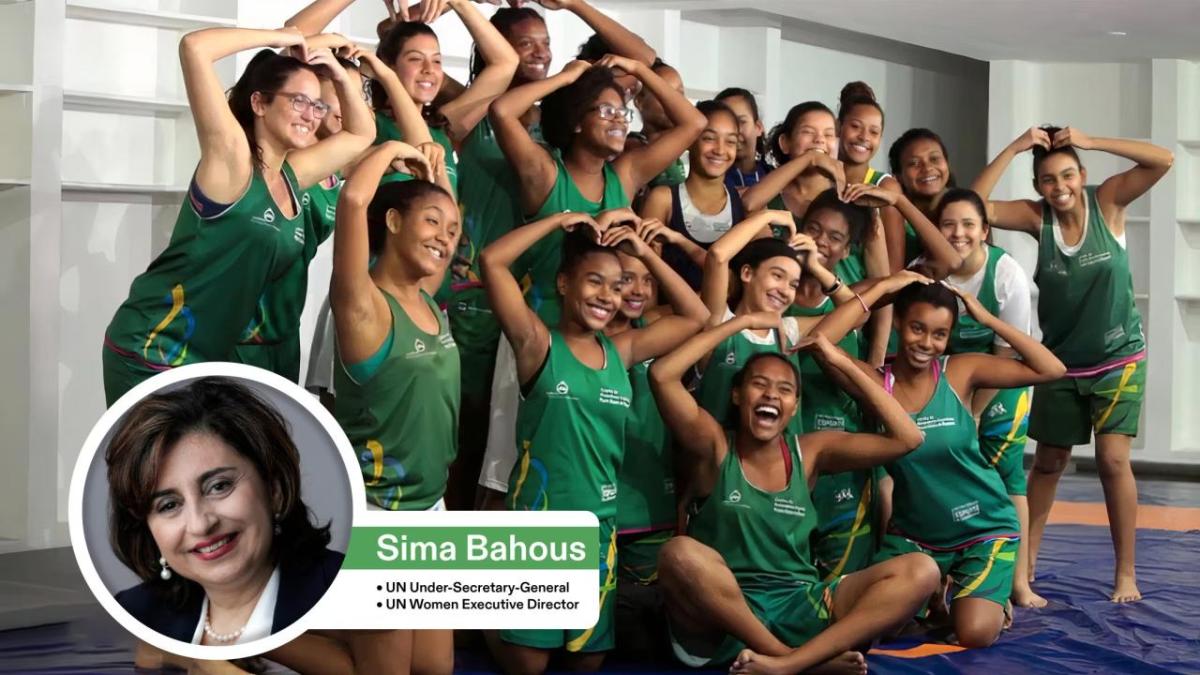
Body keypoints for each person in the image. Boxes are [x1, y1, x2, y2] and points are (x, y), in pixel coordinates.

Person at [449, 3, 656, 509]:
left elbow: (643, 58)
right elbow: (493, 103)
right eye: (527, 43)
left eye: (546, 41)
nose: (541, 52)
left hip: (549, 303)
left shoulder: (558, 128)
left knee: (518, 445)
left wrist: (575, 8)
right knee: (470, 441)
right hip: (476, 291)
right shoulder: (474, 107)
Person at [480, 211, 703, 674]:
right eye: (594, 282)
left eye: (617, 286)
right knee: (530, 667)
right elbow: (492, 261)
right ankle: (484, 601)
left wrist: (642, 252)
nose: (608, 295)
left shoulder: (621, 352)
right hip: (537, 529)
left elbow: (696, 315)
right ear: (564, 284)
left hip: (599, 529)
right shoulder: (536, 343)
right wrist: (557, 220)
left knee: (589, 663)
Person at [101, 27, 374, 405]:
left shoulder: (292, 176)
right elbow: (194, 47)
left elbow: (361, 134)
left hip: (207, 360)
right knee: (151, 466)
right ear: (259, 103)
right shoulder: (232, 160)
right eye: (298, 101)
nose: (310, 116)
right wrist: (280, 35)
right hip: (153, 349)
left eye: (317, 105)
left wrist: (340, 74)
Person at [649, 318, 936, 674]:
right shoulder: (715, 446)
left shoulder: (810, 452)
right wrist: (740, 323)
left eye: (785, 389)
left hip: (801, 601)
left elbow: (908, 437)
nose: (771, 395)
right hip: (724, 614)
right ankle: (797, 661)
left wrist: (839, 359)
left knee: (922, 569)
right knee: (678, 553)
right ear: (737, 395)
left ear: (795, 406)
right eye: (759, 384)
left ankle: (792, 662)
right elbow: (662, 374)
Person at [972, 125, 1172, 603]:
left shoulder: (1108, 202)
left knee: (1112, 459)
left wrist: (1094, 140)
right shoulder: (1034, 217)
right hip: (1061, 363)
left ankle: (1126, 572)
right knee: (1049, 462)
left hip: (1119, 357)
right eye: (1046, 179)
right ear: (1038, 184)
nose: (1058, 186)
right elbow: (972, 209)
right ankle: (1029, 562)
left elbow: (1162, 159)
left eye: (1066, 175)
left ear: (1080, 174)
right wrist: (1015, 147)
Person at [810, 280, 1066, 648]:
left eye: (939, 334)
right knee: (877, 625)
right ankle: (939, 592)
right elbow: (819, 341)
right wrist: (885, 287)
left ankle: (989, 602)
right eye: (917, 328)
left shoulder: (959, 371)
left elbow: (1051, 368)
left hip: (983, 526)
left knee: (974, 633)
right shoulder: (874, 382)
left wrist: (988, 318)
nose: (926, 343)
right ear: (898, 322)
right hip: (916, 537)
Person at [106, 377, 342, 645]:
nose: (200, 524)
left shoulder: (356, 591)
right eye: (169, 505)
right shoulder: (135, 614)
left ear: (274, 489)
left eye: (219, 486)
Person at [916, 187, 1041, 607]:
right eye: (948, 224)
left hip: (1000, 375)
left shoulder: (1007, 274)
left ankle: (1020, 581)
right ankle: (947, 574)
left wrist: (971, 412)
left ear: (985, 231)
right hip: (944, 377)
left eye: (969, 224)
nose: (958, 233)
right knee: (944, 469)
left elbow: (1010, 351)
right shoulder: (923, 270)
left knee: (1007, 474)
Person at [638, 99, 744, 289]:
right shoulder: (663, 199)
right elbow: (645, 278)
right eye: (709, 138)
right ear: (690, 140)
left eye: (731, 141)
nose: (720, 150)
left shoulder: (745, 201)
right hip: (671, 315)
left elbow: (739, 286)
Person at [716, 87, 771, 193]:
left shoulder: (775, 177)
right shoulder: (710, 181)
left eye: (741, 121)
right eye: (725, 122)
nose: (733, 131)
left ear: (758, 127)